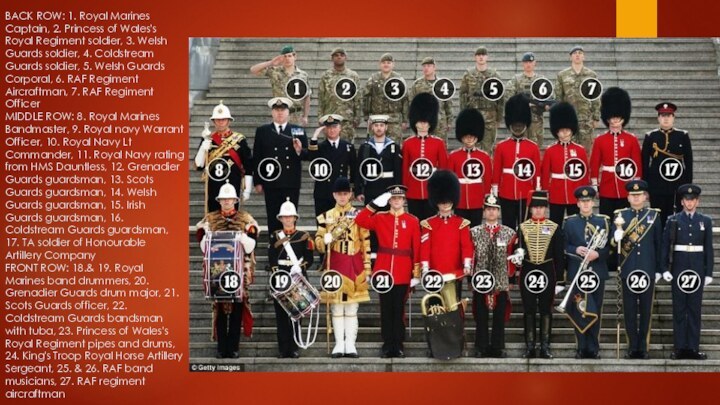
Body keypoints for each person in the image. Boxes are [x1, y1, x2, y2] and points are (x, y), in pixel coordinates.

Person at [355, 185, 421, 358]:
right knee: (385, 308)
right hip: (383, 269)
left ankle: (398, 344)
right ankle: (387, 344)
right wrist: (374, 204)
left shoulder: (412, 220)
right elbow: (360, 219)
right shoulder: (380, 217)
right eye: (393, 198)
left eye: (400, 198)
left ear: (404, 201)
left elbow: (417, 248)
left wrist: (416, 273)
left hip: (403, 269)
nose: (397, 201)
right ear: (389, 201)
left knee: (399, 309)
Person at [196, 183, 258, 359]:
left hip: (240, 272)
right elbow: (202, 244)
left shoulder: (246, 219)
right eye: (223, 199)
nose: (226, 202)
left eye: (229, 199)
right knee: (220, 310)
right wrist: (206, 236)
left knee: (237, 308)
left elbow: (252, 244)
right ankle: (222, 348)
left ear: (235, 200)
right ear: (219, 201)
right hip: (217, 271)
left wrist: (243, 238)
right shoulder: (210, 219)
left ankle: (233, 347)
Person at [314, 177, 371, 358]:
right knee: (337, 307)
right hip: (335, 263)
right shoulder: (326, 216)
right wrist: (324, 241)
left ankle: (350, 344)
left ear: (351, 195)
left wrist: (368, 268)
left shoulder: (358, 215)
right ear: (334, 195)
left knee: (352, 307)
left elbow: (366, 243)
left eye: (345, 194)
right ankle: (339, 344)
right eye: (339, 194)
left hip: (354, 263)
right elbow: (317, 241)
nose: (342, 197)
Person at [590, 87, 641, 273]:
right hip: (608, 188)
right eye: (612, 117)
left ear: (623, 117)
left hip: (626, 190)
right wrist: (595, 184)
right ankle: (609, 258)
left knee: (627, 225)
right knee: (608, 225)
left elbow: (637, 166)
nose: (614, 120)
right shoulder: (600, 140)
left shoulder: (631, 139)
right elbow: (594, 164)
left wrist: (636, 189)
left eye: (618, 117)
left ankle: (626, 258)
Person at [611, 180, 662, 360]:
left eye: (639, 195)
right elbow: (612, 244)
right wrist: (616, 236)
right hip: (628, 268)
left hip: (647, 269)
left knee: (646, 310)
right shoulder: (620, 216)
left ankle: (644, 347)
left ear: (645, 196)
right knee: (630, 310)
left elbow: (659, 244)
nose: (636, 198)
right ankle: (632, 346)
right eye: (633, 195)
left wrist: (659, 269)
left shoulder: (653, 215)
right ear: (628, 197)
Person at [661, 184, 713, 360]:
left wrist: (708, 272)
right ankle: (680, 347)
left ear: (697, 201)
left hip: (697, 269)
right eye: (686, 200)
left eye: (693, 200)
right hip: (679, 267)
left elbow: (708, 249)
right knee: (679, 308)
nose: (689, 203)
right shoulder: (673, 220)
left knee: (694, 309)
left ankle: (692, 347)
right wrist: (664, 269)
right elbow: (665, 247)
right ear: (682, 201)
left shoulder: (705, 221)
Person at [513, 190, 565, 359]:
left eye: (541, 207)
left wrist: (560, 281)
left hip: (547, 270)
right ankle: (529, 346)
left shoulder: (554, 228)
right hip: (528, 271)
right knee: (528, 309)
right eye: (535, 207)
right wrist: (517, 255)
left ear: (546, 209)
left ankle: (545, 346)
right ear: (530, 209)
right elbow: (515, 252)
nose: (538, 210)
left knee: (546, 310)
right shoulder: (521, 228)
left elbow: (559, 255)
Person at [562, 185, 610, 359]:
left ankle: (593, 347)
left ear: (593, 202)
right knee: (579, 308)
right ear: (577, 203)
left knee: (596, 309)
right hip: (577, 271)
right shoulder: (570, 222)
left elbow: (609, 248)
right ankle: (581, 347)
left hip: (597, 271)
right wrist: (576, 249)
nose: (586, 204)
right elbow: (564, 246)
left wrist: (597, 254)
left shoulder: (603, 221)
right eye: (583, 201)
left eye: (589, 201)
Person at [469, 194, 517, 358]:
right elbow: (471, 257)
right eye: (488, 209)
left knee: (499, 315)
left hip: (501, 279)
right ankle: (481, 346)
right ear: (483, 212)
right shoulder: (474, 232)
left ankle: (498, 346)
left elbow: (512, 258)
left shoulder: (509, 233)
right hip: (480, 279)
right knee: (481, 314)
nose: (491, 212)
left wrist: (511, 278)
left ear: (499, 212)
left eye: (494, 209)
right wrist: (470, 279)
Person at [252, 97, 309, 236]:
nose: (280, 113)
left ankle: (291, 244)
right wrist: (258, 181)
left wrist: (299, 150)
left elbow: (308, 155)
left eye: (283, 110)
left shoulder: (297, 130)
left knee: (290, 215)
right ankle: (274, 244)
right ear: (272, 112)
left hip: (291, 181)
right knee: (273, 215)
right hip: (271, 181)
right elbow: (257, 157)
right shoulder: (263, 131)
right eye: (276, 110)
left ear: (288, 112)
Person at [268, 199, 314, 358]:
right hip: (280, 277)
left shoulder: (304, 236)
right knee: (281, 316)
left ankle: (294, 347)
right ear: (280, 219)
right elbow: (272, 257)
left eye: (290, 217)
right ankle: (283, 349)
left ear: (295, 218)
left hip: (298, 277)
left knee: (296, 314)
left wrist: (300, 268)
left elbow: (310, 258)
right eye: (284, 217)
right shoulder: (275, 236)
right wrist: (277, 273)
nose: (287, 219)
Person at [420, 170, 474, 303]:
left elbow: (466, 246)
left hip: (454, 272)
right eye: (442, 201)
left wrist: (467, 264)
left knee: (454, 308)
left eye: (448, 201)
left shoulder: (461, 223)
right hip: (434, 273)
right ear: (436, 201)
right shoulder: (429, 224)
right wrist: (425, 268)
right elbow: (425, 248)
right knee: (435, 308)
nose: (445, 204)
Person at [491, 94, 541, 230]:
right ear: (510, 125)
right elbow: (496, 170)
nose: (518, 128)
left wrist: (537, 191)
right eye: (515, 125)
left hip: (526, 192)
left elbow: (536, 171)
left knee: (526, 227)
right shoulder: (501, 146)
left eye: (520, 125)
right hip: (506, 192)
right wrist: (495, 190)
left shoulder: (533, 146)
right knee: (508, 227)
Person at [194, 101, 253, 213]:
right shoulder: (208, 138)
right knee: (213, 214)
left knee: (232, 216)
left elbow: (248, 165)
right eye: (218, 119)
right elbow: (198, 165)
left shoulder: (239, 139)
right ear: (213, 121)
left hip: (233, 182)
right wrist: (203, 147)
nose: (221, 122)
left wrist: (247, 189)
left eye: (223, 119)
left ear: (229, 121)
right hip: (213, 184)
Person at [642, 102, 694, 227]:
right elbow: (644, 163)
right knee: (658, 219)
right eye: (663, 115)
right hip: (657, 186)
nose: (666, 118)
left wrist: (687, 185)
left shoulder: (682, 136)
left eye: (669, 115)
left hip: (677, 185)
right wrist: (646, 187)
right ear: (658, 118)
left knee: (677, 220)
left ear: (673, 117)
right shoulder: (650, 136)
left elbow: (689, 162)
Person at [541, 102, 590, 226]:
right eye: (561, 130)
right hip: (556, 193)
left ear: (572, 130)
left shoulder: (580, 150)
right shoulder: (550, 150)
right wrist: (545, 191)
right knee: (554, 223)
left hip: (575, 191)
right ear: (556, 132)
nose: (565, 133)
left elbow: (585, 173)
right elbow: (545, 173)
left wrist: (583, 191)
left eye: (567, 130)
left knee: (575, 224)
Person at [402, 92, 448, 221]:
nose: (422, 125)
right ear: (414, 122)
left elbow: (443, 169)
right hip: (413, 190)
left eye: (426, 122)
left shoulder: (438, 143)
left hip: (431, 190)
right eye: (420, 122)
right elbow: (405, 168)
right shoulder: (408, 143)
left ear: (430, 123)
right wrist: (405, 189)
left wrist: (441, 189)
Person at [448, 108, 492, 227]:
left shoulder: (484, 157)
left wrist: (487, 199)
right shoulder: (453, 156)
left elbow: (487, 181)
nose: (469, 139)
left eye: (472, 136)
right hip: (460, 201)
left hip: (477, 201)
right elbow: (450, 182)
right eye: (466, 136)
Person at [308, 114, 358, 217]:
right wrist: (314, 138)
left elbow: (354, 169)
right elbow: (311, 157)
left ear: (340, 128)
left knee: (341, 225)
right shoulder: (320, 147)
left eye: (334, 127)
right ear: (325, 130)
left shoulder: (347, 146)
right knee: (322, 224)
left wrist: (352, 188)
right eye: (329, 128)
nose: (332, 130)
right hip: (323, 191)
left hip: (341, 191)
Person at [554, 45, 601, 156]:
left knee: (586, 151)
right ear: (570, 57)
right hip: (569, 118)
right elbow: (558, 98)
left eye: (580, 53)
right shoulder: (562, 75)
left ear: (584, 56)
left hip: (586, 118)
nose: (577, 55)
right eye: (574, 53)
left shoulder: (591, 75)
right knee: (569, 149)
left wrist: (596, 117)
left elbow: (596, 97)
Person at [250, 45, 311, 126]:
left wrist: (305, 116)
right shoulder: (274, 71)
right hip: (280, 113)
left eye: (289, 56)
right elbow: (253, 70)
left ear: (295, 57)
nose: (287, 59)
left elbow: (307, 96)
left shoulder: (303, 75)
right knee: (279, 137)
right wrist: (271, 63)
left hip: (296, 115)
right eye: (284, 56)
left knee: (296, 137)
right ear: (281, 58)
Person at [460, 46, 504, 154]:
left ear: (487, 57)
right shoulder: (468, 75)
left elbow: (501, 98)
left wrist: (499, 118)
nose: (481, 57)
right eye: (478, 55)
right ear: (475, 57)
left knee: (488, 148)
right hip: (473, 115)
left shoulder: (494, 75)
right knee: (473, 147)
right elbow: (463, 95)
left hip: (490, 116)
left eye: (483, 55)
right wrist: (463, 115)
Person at [362, 53, 409, 143]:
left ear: (393, 64)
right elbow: (366, 97)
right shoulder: (373, 78)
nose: (386, 64)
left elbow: (405, 100)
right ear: (380, 64)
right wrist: (366, 117)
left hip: (394, 119)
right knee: (376, 146)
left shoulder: (399, 79)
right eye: (384, 62)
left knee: (394, 146)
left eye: (388, 62)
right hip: (377, 119)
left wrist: (405, 119)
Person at [355, 115, 403, 204]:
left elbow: (398, 170)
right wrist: (358, 191)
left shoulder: (393, 146)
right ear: (372, 127)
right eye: (376, 125)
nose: (379, 128)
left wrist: (397, 188)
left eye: (381, 125)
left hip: (388, 188)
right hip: (370, 188)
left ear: (386, 127)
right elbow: (359, 170)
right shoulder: (365, 147)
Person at [317, 48, 361, 143]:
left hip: (347, 119)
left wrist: (357, 116)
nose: (339, 57)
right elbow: (321, 97)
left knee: (347, 147)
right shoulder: (326, 76)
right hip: (330, 118)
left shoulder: (353, 75)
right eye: (336, 55)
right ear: (332, 58)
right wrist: (320, 117)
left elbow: (357, 98)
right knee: (330, 147)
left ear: (346, 58)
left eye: (342, 55)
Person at [506, 52, 550, 147]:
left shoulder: (541, 80)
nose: (528, 64)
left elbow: (549, 98)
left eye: (530, 62)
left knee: (536, 149)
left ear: (535, 63)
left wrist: (543, 105)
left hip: (537, 122)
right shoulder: (516, 80)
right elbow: (509, 98)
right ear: (522, 63)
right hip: (520, 122)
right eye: (526, 62)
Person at [409, 57, 454, 142]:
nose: (426, 68)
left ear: (434, 67)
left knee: (441, 146)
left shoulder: (442, 84)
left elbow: (448, 103)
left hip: (440, 122)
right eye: (424, 66)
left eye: (429, 66)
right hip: (423, 123)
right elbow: (412, 104)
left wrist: (449, 121)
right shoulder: (417, 84)